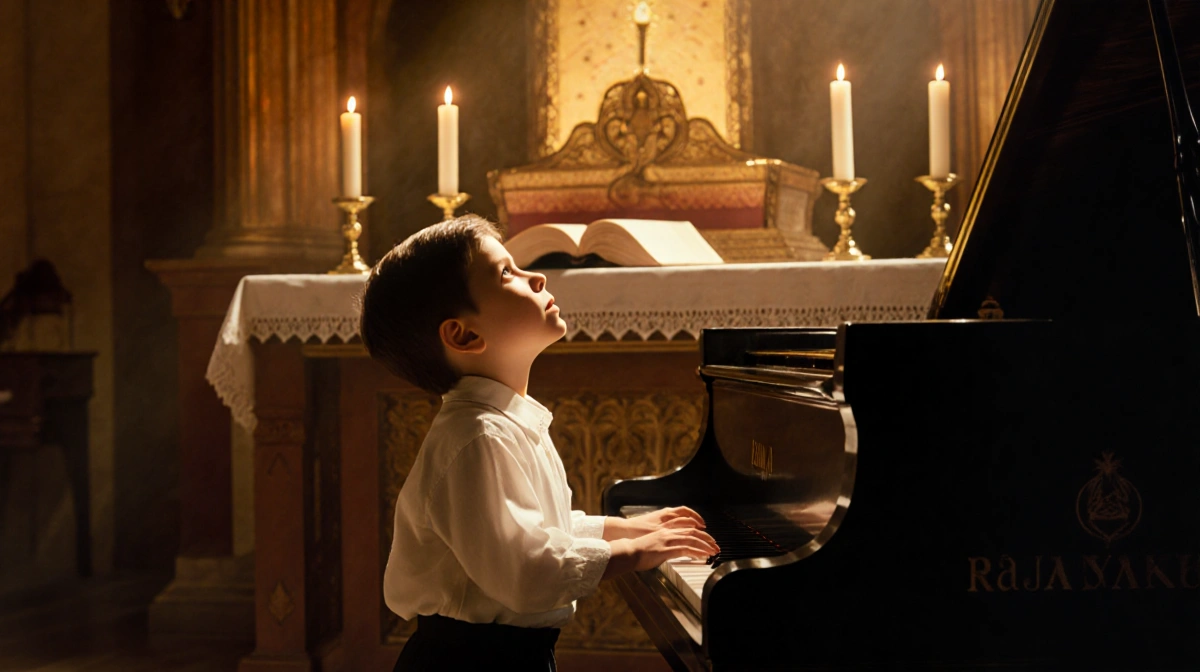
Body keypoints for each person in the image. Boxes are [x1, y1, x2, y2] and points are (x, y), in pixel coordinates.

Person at [358, 215, 719, 671]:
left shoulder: (502, 422)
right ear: (464, 335)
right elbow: (526, 572)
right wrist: (637, 552)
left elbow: (534, 528)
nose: (537, 276)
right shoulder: (476, 438)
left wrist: (629, 528)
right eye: (506, 272)